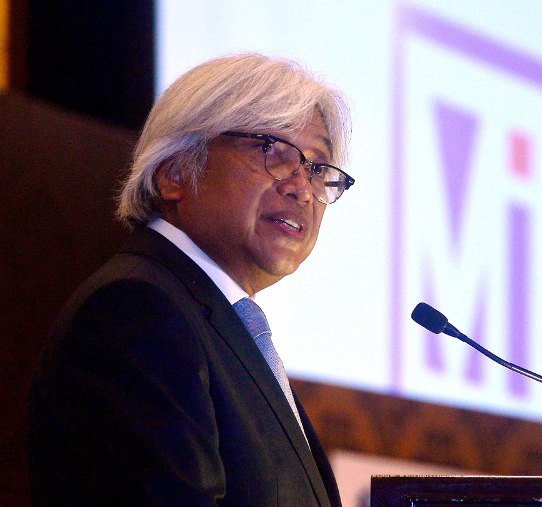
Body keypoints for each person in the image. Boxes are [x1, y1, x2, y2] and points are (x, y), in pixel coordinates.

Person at [27, 53, 354, 506]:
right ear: (175, 173)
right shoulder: (137, 311)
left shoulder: (217, 322)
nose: (301, 186)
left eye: (318, 168)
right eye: (270, 149)